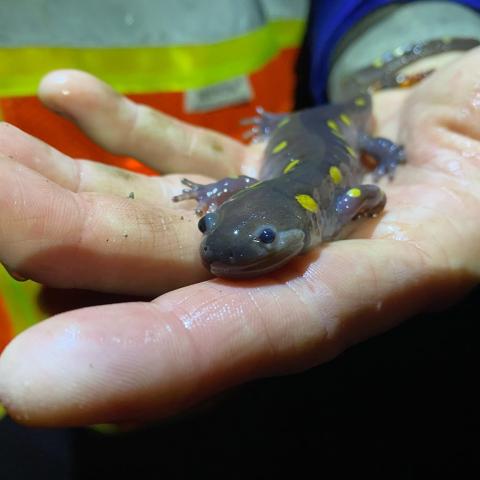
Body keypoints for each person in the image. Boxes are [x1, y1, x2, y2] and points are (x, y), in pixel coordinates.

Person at [0, 1, 479, 428]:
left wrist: (385, 161)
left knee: (363, 144)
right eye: (209, 226)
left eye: (267, 238)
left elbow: (367, 193)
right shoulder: (265, 197)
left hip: (334, 126)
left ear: (302, 226)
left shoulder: (328, 210)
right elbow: (240, 188)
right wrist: (212, 196)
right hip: (297, 130)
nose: (212, 248)